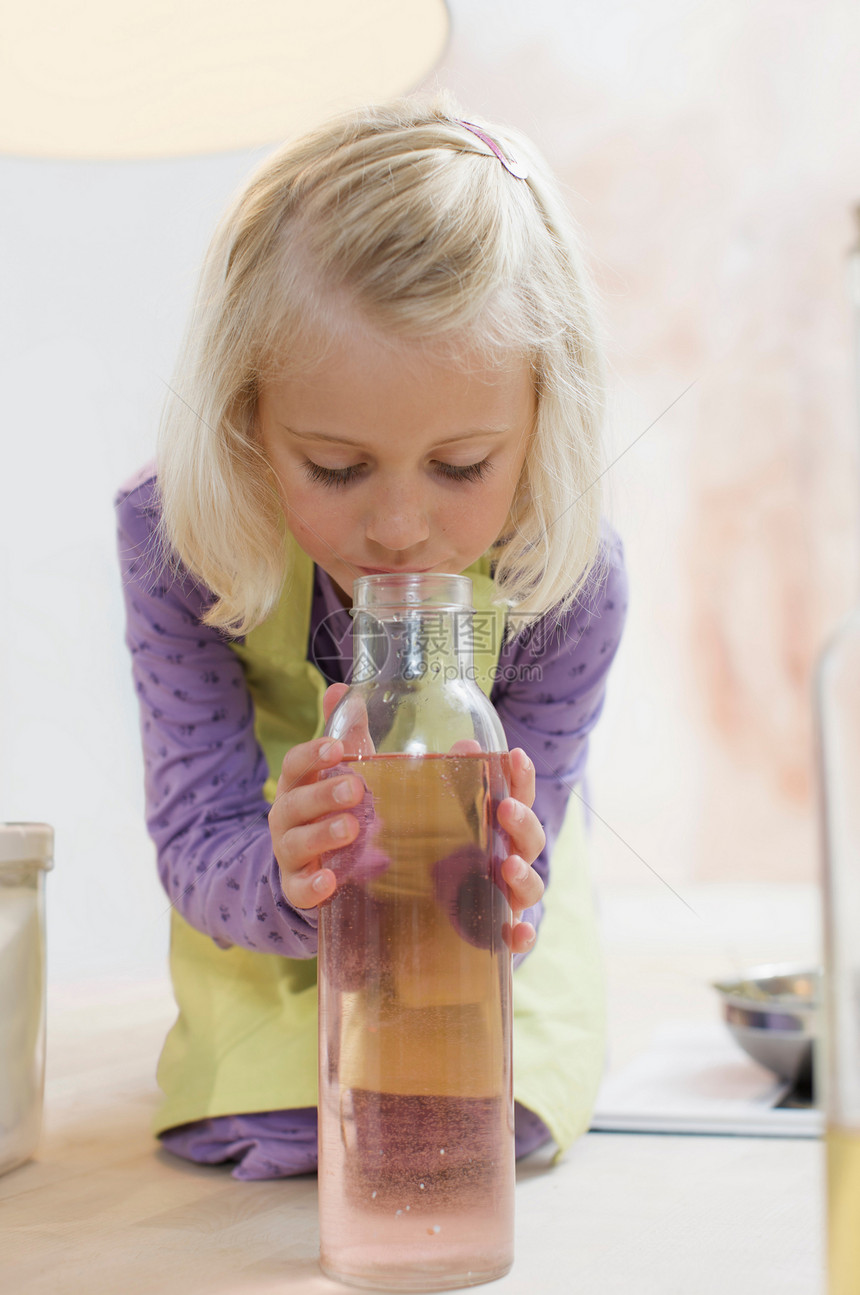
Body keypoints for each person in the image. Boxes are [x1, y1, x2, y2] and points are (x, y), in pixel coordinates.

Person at [115, 93, 628, 1182]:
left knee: (464, 1135)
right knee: (287, 1134)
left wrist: (485, 880)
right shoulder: (179, 540)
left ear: (545, 417)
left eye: (460, 466)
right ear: (243, 415)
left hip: (484, 957)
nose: (398, 528)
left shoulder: (566, 579)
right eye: (336, 468)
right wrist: (288, 875)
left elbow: (522, 840)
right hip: (262, 932)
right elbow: (194, 831)